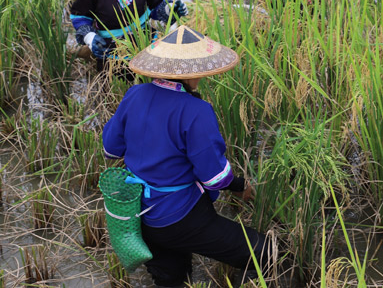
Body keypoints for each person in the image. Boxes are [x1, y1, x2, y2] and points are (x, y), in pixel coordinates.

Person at [102, 25, 276, 287]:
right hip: (179, 216)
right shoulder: (196, 110)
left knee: (172, 278)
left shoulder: (134, 94)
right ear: (192, 72)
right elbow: (214, 177)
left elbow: (110, 149)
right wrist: (239, 185)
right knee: (267, 252)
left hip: (138, 214)